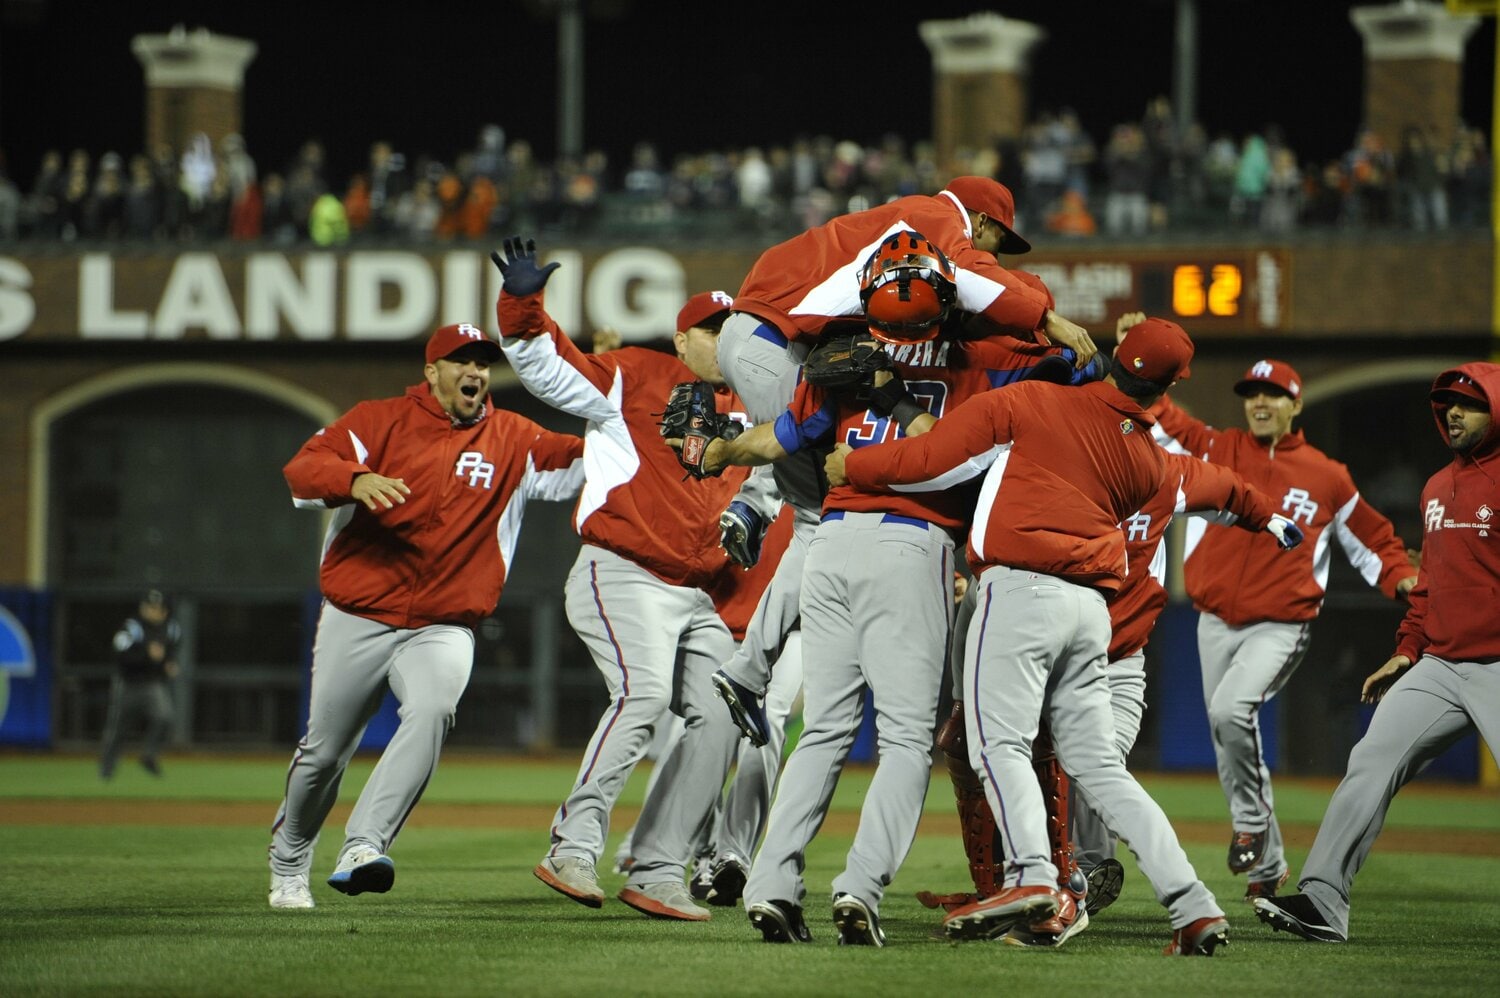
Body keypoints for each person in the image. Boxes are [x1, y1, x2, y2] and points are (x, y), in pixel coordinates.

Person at [827, 317, 1231, 955]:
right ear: (1169, 388)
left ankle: (1032, 878)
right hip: (1090, 610)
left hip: (1020, 591)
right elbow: (1216, 484)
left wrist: (854, 464)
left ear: (1112, 358)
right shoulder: (1150, 462)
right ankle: (1194, 905)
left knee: (997, 746)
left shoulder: (1034, 399)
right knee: (1100, 768)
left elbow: (930, 457)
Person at [266, 322, 584, 910]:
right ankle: (288, 859)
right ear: (431, 371)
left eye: (482, 363)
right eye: (461, 361)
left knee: (434, 709)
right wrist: (354, 478)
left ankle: (364, 844)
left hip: (444, 623)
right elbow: (304, 469)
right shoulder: (377, 421)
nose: (475, 372)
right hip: (359, 613)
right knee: (324, 754)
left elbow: (595, 461)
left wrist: (621, 413)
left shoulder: (514, 438)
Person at [493, 238, 749, 922]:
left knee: (724, 715)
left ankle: (659, 868)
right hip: (625, 571)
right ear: (681, 339)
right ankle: (572, 846)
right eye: (711, 330)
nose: (724, 340)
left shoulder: (754, 402)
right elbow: (550, 369)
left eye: (732, 329)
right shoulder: (635, 374)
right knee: (644, 694)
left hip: (702, 594)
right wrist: (521, 308)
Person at [1151, 359, 1418, 898]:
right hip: (1212, 619)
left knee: (1232, 711)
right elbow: (1162, 415)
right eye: (1253, 393)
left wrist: (1400, 578)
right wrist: (1141, 357)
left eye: (1273, 394)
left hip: (1281, 624)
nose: (1261, 402)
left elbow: (1373, 539)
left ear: (1296, 405)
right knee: (1225, 731)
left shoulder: (1326, 475)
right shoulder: (1217, 447)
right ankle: (1268, 863)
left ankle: (1251, 825)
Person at [1254, 363, 1499, 942]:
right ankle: (1322, 901)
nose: (1453, 413)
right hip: (1440, 665)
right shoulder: (1436, 487)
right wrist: (1407, 649)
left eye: (1469, 404)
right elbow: (1429, 585)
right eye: (1446, 404)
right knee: (1370, 760)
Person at [98, 589, 179, 779]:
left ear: (164, 612)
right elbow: (119, 655)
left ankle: (149, 756)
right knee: (118, 729)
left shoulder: (171, 629)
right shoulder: (132, 628)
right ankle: (107, 767)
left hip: (153, 684)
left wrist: (167, 664)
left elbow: (169, 655)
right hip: (128, 684)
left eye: (156, 608)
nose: (152, 611)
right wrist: (146, 655)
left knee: (165, 717)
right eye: (149, 606)